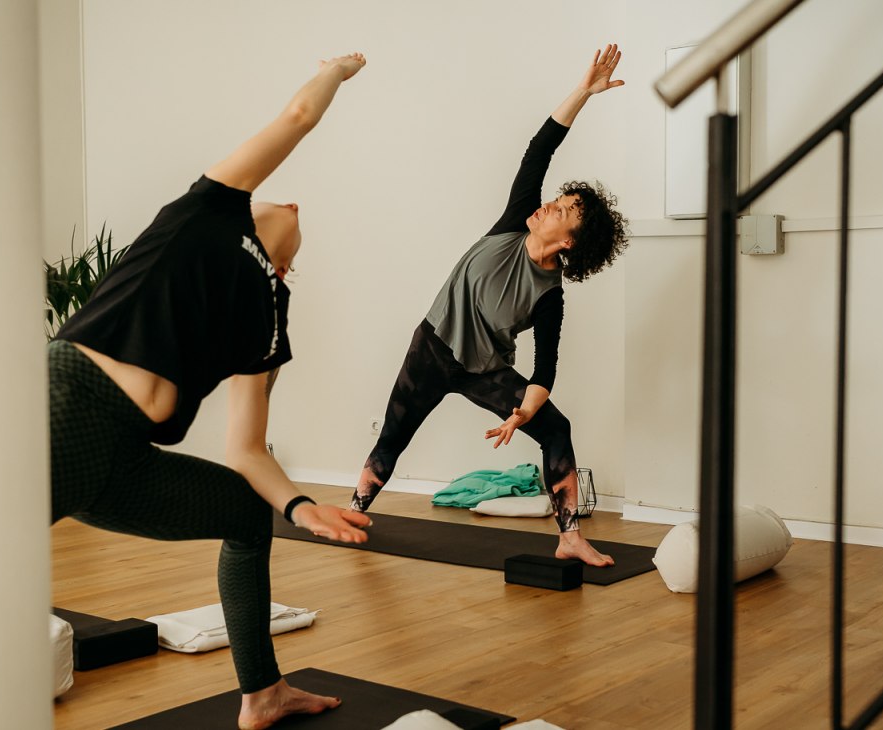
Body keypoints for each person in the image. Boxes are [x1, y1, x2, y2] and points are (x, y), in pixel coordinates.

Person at [48, 53, 372, 730]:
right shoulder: (206, 210)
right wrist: (336, 70)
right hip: (66, 410)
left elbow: (246, 450)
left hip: (123, 463)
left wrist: (299, 506)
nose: (291, 205)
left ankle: (263, 693)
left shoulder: (270, 314)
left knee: (246, 515)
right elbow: (298, 115)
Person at [347, 44, 630, 567]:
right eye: (557, 199)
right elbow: (539, 150)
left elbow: (545, 371)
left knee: (556, 428)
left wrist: (521, 413)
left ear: (569, 241)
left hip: (484, 371)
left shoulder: (549, 296)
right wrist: (584, 92)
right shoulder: (514, 221)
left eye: (561, 210)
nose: (548, 206)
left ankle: (569, 536)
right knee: (393, 434)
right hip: (432, 347)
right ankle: (354, 513)